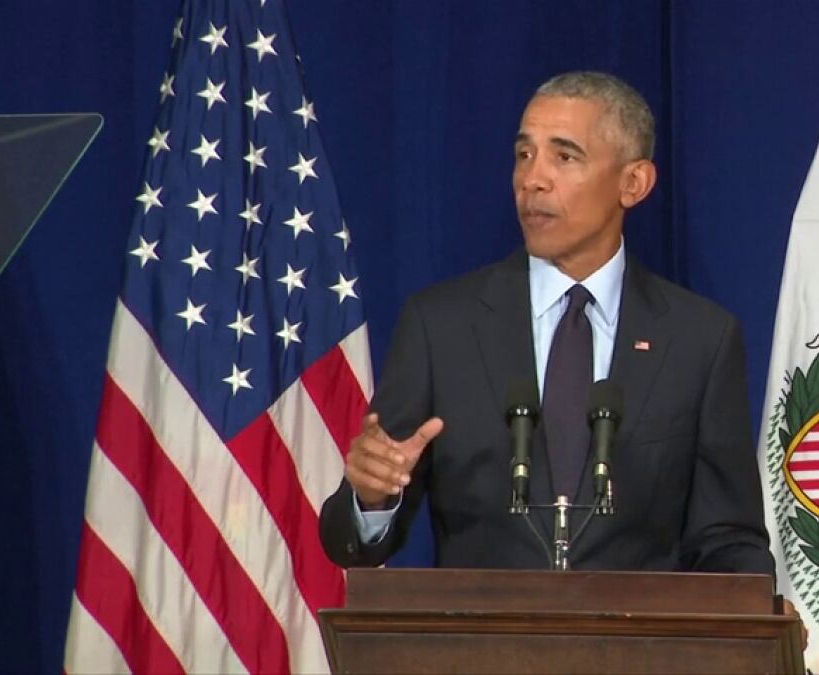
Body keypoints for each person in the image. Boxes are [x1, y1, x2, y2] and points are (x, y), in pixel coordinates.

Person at [319, 71, 776, 574]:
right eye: (524, 154)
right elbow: (352, 542)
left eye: (564, 156)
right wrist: (371, 500)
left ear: (633, 183)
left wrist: (756, 612)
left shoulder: (699, 340)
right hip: (480, 626)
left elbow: (728, 542)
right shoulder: (441, 326)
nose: (532, 179)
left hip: (637, 628)